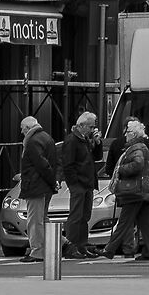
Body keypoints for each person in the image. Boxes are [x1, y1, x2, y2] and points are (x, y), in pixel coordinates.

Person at [105, 119, 149, 262]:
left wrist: (121, 169)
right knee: (144, 223)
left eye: (128, 132)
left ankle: (109, 249)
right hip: (143, 190)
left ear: (133, 134)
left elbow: (137, 164)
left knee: (124, 221)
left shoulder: (137, 148)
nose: (125, 134)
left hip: (135, 191)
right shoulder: (140, 146)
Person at [17, 114, 60, 264]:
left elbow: (41, 165)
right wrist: (53, 181)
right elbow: (51, 163)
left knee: (34, 221)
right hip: (45, 186)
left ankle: (37, 251)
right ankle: (62, 243)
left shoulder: (32, 142)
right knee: (43, 219)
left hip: (36, 186)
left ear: (28, 128)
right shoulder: (47, 138)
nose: (22, 132)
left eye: (22, 129)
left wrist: (51, 180)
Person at [59, 110, 100, 259]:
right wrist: (74, 183)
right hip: (79, 184)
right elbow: (67, 164)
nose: (92, 130)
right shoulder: (72, 140)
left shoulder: (84, 139)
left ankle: (82, 246)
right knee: (76, 216)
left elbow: (97, 157)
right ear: (81, 126)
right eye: (90, 127)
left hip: (87, 183)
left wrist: (97, 143)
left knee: (85, 216)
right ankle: (72, 246)